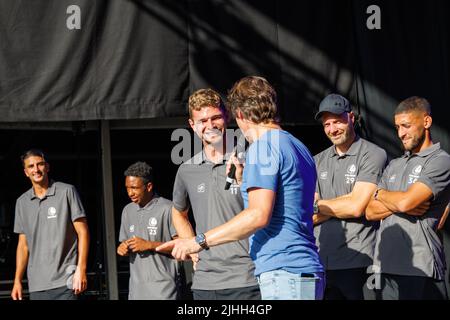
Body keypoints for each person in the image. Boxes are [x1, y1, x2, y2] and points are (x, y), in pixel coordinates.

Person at [158, 76, 325, 300]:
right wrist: (242, 181)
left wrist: (198, 242)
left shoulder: (262, 147)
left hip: (283, 271)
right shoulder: (297, 145)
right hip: (301, 269)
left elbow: (258, 215)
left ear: (238, 115)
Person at [165, 88, 260, 300]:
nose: (210, 126)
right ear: (192, 125)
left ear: (226, 117)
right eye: (202, 120)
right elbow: (178, 213)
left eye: (216, 117)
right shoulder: (186, 170)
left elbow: (262, 212)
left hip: (248, 278)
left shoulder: (250, 158)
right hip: (204, 282)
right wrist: (193, 247)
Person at [366, 96, 450, 300]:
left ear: (426, 122)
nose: (401, 133)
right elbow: (369, 211)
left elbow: (406, 202)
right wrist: (389, 198)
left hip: (420, 267)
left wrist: (386, 197)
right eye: (397, 127)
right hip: (385, 264)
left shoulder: (440, 160)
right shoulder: (394, 164)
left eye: (406, 126)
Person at [313, 94, 387, 300]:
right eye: (327, 124)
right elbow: (307, 214)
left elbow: (356, 206)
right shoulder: (317, 160)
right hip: (321, 261)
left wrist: (319, 206)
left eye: (337, 121)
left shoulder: (372, 153)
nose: (332, 129)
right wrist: (339, 205)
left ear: (351, 118)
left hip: (360, 261)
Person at [11, 149, 90, 300]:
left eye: (39, 164)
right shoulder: (22, 202)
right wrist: (17, 281)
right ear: (26, 172)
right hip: (37, 284)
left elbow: (83, 232)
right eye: (31, 166)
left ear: (47, 167)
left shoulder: (67, 191)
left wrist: (81, 269)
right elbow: (23, 245)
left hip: (67, 280)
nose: (36, 169)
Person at [117, 162, 179, 300]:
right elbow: (126, 242)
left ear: (149, 186)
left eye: (134, 188)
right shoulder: (127, 210)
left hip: (163, 291)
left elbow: (183, 246)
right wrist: (123, 248)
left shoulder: (168, 208)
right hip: (136, 291)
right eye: (127, 188)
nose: (129, 193)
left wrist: (150, 245)